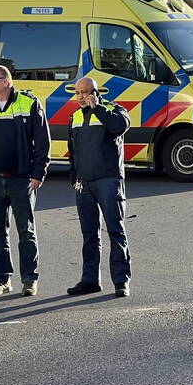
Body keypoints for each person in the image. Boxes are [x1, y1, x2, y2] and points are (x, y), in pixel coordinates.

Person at [0, 65, 50, 298]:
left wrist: (38, 173)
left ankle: (29, 279)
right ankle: (1, 279)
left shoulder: (29, 103)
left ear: (5, 81)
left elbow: (42, 142)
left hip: (21, 180)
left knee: (26, 230)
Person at [66, 76, 132, 297]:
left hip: (108, 180)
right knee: (89, 234)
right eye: (77, 93)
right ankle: (90, 280)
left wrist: (98, 108)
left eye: (84, 93)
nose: (80, 97)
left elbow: (119, 127)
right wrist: (74, 177)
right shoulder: (75, 117)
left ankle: (121, 281)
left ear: (95, 92)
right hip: (84, 183)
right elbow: (73, 151)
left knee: (116, 231)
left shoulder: (115, 110)